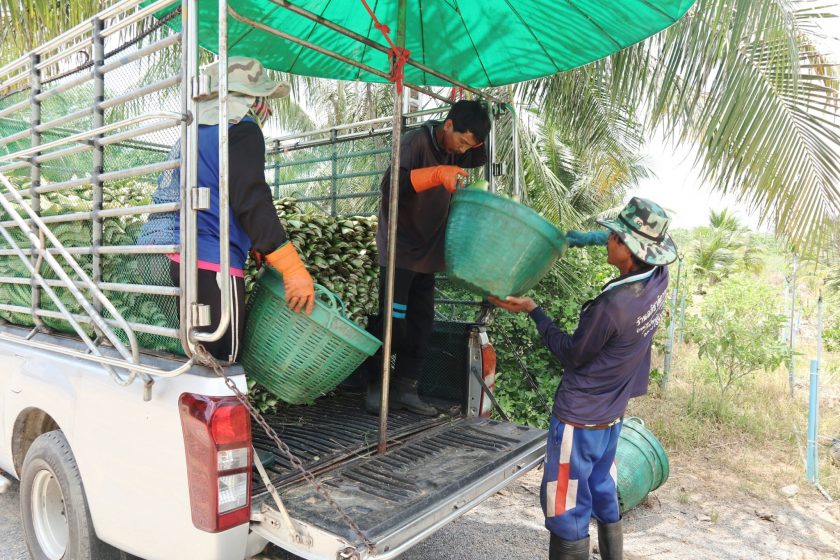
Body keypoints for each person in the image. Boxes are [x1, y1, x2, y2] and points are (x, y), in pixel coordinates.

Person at [489, 197, 678, 560]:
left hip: (579, 419)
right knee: (602, 485)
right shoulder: (658, 278)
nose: (607, 241)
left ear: (628, 248)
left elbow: (572, 354)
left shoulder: (612, 307)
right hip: (611, 414)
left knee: (566, 505)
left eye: (613, 237)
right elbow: (629, 246)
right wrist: (583, 239)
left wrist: (534, 310)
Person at [139, 56, 315, 361]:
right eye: (263, 98)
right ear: (249, 98)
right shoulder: (241, 129)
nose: (267, 109)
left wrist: (253, 240)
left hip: (158, 256)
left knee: (183, 360)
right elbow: (251, 197)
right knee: (220, 362)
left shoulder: (193, 132)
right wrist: (292, 268)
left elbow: (218, 189)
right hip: (207, 264)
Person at [364, 100, 491, 416]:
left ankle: (407, 388)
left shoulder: (457, 148)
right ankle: (376, 385)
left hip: (429, 250)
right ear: (448, 125)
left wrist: (482, 125)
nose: (463, 150)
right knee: (393, 322)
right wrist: (436, 174)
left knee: (422, 324)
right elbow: (390, 186)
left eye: (469, 145)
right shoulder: (417, 142)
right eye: (462, 141)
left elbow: (479, 155)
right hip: (400, 248)